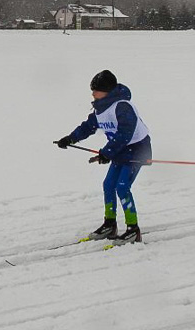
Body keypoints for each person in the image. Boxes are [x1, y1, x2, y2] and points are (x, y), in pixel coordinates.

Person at [56, 70, 152, 244]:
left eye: (96, 90)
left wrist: (106, 153)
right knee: (108, 185)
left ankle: (133, 229)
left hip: (136, 151)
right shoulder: (101, 108)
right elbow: (88, 127)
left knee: (122, 187)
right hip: (119, 150)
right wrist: (70, 138)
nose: (92, 94)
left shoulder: (122, 106)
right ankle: (110, 224)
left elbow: (125, 134)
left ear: (107, 90)